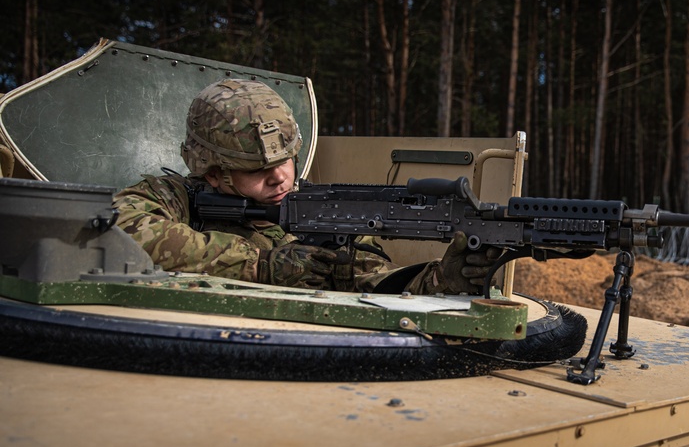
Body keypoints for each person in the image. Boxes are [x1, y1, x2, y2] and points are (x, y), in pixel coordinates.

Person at [114, 78, 497, 294]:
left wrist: (439, 281)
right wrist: (260, 266)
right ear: (213, 173)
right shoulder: (175, 198)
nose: (280, 176)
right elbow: (121, 227)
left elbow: (374, 283)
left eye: (285, 158)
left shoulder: (323, 216)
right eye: (257, 168)